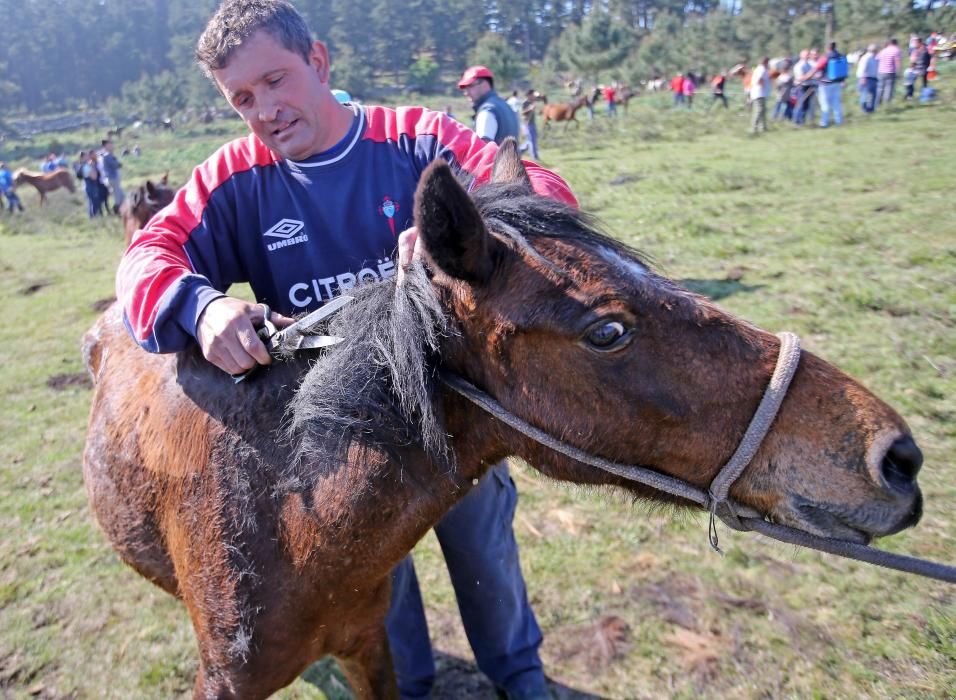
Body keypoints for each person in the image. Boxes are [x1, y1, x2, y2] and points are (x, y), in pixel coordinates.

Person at [116, 3, 577, 700]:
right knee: (380, 592)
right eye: (242, 97)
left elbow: (539, 190)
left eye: (275, 80)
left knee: (485, 555)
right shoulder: (235, 177)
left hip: (455, 419)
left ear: (320, 62)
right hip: (347, 448)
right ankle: (410, 687)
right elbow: (143, 261)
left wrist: (466, 227)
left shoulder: (415, 139)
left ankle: (519, 675)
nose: (264, 109)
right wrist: (200, 306)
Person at [457, 66, 520, 146]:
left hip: (496, 158)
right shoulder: (505, 106)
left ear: (484, 84)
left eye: (470, 86)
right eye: (465, 89)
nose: (466, 93)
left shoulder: (487, 111)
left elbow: (482, 149)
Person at [813, 41, 847, 128]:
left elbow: (816, 69)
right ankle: (839, 121)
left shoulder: (825, 57)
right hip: (837, 82)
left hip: (825, 82)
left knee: (824, 103)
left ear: (827, 48)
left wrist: (804, 78)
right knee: (836, 102)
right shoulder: (840, 55)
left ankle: (824, 122)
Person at [99, 138, 125, 214]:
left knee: (121, 195)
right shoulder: (107, 155)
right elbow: (116, 165)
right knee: (118, 197)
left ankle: (120, 211)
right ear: (106, 146)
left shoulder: (105, 155)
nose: (112, 146)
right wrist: (118, 163)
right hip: (112, 178)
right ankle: (117, 212)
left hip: (111, 178)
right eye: (110, 144)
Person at [792, 49, 818, 125]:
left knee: (806, 105)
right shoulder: (799, 66)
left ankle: (802, 121)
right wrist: (811, 74)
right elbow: (801, 78)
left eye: (808, 54)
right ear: (801, 56)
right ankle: (796, 121)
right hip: (802, 87)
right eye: (806, 54)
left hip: (809, 86)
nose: (808, 56)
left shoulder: (809, 64)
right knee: (800, 104)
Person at [876, 38, 902, 105]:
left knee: (880, 88)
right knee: (889, 88)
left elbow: (877, 59)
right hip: (890, 72)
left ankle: (877, 102)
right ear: (896, 43)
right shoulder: (896, 50)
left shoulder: (883, 50)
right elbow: (897, 62)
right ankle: (887, 103)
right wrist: (899, 72)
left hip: (880, 71)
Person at [749, 57, 771, 134]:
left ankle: (763, 127)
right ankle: (754, 128)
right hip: (759, 93)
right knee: (759, 110)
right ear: (766, 62)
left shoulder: (760, 69)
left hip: (760, 93)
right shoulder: (761, 69)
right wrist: (762, 87)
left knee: (762, 111)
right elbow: (759, 80)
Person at [82, 152, 106, 218]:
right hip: (91, 187)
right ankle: (95, 217)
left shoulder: (84, 166)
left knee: (91, 203)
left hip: (89, 187)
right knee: (94, 203)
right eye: (86, 156)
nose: (88, 157)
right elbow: (94, 177)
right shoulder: (87, 166)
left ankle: (93, 217)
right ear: (83, 157)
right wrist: (93, 167)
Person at [856, 44, 879, 113]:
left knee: (872, 95)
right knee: (865, 94)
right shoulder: (867, 58)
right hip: (866, 78)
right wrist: (863, 78)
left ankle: (870, 109)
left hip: (872, 78)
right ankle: (864, 108)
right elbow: (863, 68)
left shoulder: (873, 58)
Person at [520, 89, 540, 160]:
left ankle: (519, 151)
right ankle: (534, 156)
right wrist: (529, 109)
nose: (533, 96)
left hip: (532, 123)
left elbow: (539, 97)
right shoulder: (525, 103)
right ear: (529, 95)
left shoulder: (532, 102)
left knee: (531, 140)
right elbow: (522, 112)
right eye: (532, 95)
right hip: (527, 123)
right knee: (531, 140)